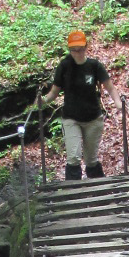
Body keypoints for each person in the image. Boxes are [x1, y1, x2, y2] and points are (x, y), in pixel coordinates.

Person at [43, 29, 114, 180]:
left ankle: (99, 190)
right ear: (69, 49)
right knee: (73, 158)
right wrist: (42, 101)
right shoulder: (64, 66)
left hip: (93, 119)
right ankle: (72, 194)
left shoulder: (94, 66)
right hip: (71, 118)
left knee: (90, 160)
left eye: (80, 49)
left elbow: (110, 87)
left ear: (86, 47)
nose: (78, 53)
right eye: (74, 50)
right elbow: (54, 93)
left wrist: (119, 103)